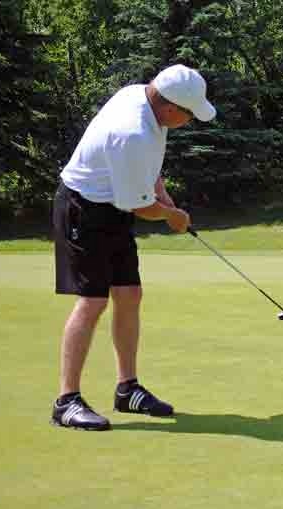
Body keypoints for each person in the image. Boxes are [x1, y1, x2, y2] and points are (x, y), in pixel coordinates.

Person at [50, 65, 216, 431]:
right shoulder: (132, 130)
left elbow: (146, 169)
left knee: (129, 293)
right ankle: (66, 401)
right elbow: (138, 206)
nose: (189, 121)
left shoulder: (147, 102)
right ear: (172, 108)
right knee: (93, 300)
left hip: (111, 207)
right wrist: (172, 216)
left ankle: (127, 389)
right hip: (83, 208)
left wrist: (163, 195)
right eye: (189, 115)